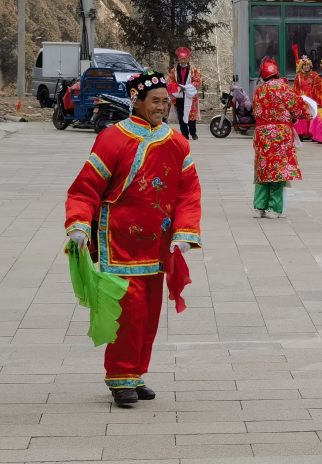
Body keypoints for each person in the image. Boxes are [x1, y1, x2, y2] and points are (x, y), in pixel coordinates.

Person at [65, 70, 202, 405]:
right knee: (129, 311)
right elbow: (85, 188)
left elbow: (189, 193)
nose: (162, 107)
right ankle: (120, 376)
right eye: (155, 101)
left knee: (150, 313)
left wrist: (184, 232)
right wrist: (79, 224)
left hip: (158, 244)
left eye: (166, 102)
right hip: (119, 241)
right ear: (137, 102)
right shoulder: (113, 138)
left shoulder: (177, 142)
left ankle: (136, 373)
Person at [252, 57, 312, 218]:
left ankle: (259, 207)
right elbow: (299, 108)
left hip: (262, 133)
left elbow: (255, 111)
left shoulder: (259, 90)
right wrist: (303, 114)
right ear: (276, 73)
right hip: (280, 134)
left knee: (263, 169)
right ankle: (274, 207)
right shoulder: (284, 88)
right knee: (278, 170)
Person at [167, 47, 201, 140]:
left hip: (190, 95)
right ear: (178, 59)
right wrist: (178, 88)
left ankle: (193, 133)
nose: (183, 61)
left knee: (191, 115)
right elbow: (171, 82)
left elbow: (197, 81)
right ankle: (184, 134)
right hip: (179, 96)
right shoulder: (173, 71)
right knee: (181, 115)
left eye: (184, 59)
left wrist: (187, 88)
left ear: (188, 59)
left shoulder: (193, 70)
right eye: (181, 59)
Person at [291, 54, 319, 141]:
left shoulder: (315, 75)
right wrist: (297, 97)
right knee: (302, 114)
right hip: (302, 97)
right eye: (304, 65)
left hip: (312, 97)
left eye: (308, 65)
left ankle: (312, 133)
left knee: (312, 113)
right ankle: (301, 133)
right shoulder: (298, 76)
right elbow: (295, 88)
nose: (306, 67)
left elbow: (317, 87)